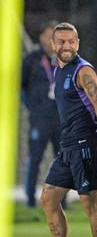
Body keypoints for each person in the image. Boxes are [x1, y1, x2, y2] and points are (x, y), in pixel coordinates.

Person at [34, 22, 97, 237]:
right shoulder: (60, 71)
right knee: (49, 199)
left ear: (77, 43)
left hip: (86, 145)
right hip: (67, 147)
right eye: (62, 41)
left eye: (71, 41)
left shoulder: (83, 71)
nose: (67, 46)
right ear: (53, 44)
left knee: (91, 203)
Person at [21, 20, 66, 209]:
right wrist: (33, 107)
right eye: (48, 36)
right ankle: (30, 200)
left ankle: (63, 200)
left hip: (60, 118)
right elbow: (21, 87)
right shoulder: (32, 60)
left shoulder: (64, 60)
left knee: (63, 160)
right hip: (40, 119)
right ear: (41, 37)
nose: (51, 40)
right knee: (35, 158)